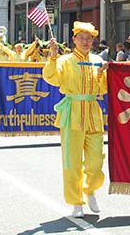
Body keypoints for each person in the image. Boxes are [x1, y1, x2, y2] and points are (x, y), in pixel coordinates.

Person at [42, 21, 108, 217]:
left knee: (96, 161)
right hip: (72, 114)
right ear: (74, 40)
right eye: (82, 38)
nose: (86, 41)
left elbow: (103, 89)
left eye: (89, 38)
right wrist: (53, 57)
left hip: (93, 113)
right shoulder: (64, 60)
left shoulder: (97, 60)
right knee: (72, 162)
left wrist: (103, 73)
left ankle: (90, 189)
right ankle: (76, 202)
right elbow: (51, 78)